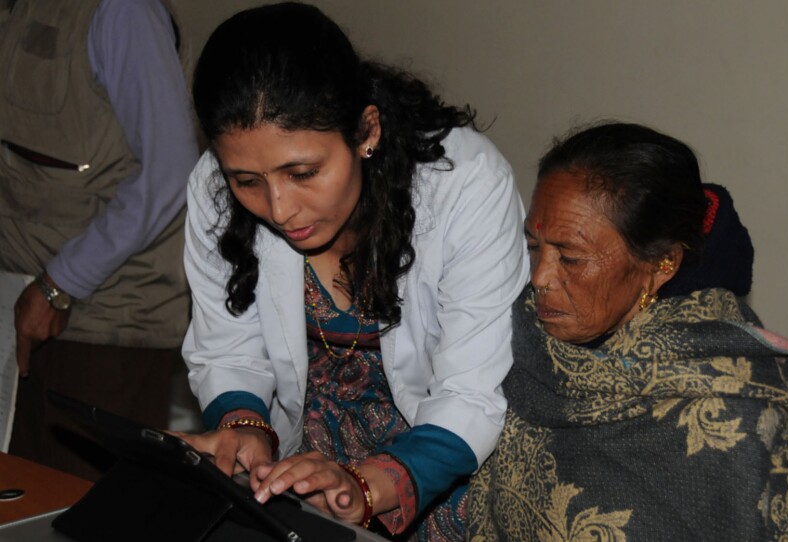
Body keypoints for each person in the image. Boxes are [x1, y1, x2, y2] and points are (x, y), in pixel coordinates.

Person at [179, 2, 528, 539]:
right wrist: (243, 426)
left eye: (303, 172)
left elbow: (471, 393)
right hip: (300, 464)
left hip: (441, 461)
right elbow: (227, 348)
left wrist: (364, 487)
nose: (278, 208)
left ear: (366, 130)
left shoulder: (464, 185)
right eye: (247, 181)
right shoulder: (215, 186)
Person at [467, 122, 788, 541]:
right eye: (534, 247)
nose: (539, 277)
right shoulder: (518, 346)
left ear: (662, 264)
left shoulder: (741, 426)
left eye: (570, 258)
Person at [0, 0, 199, 480]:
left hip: (101, 325)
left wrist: (56, 285)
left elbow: (170, 171)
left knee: (78, 512)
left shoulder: (121, 11)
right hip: (21, 306)